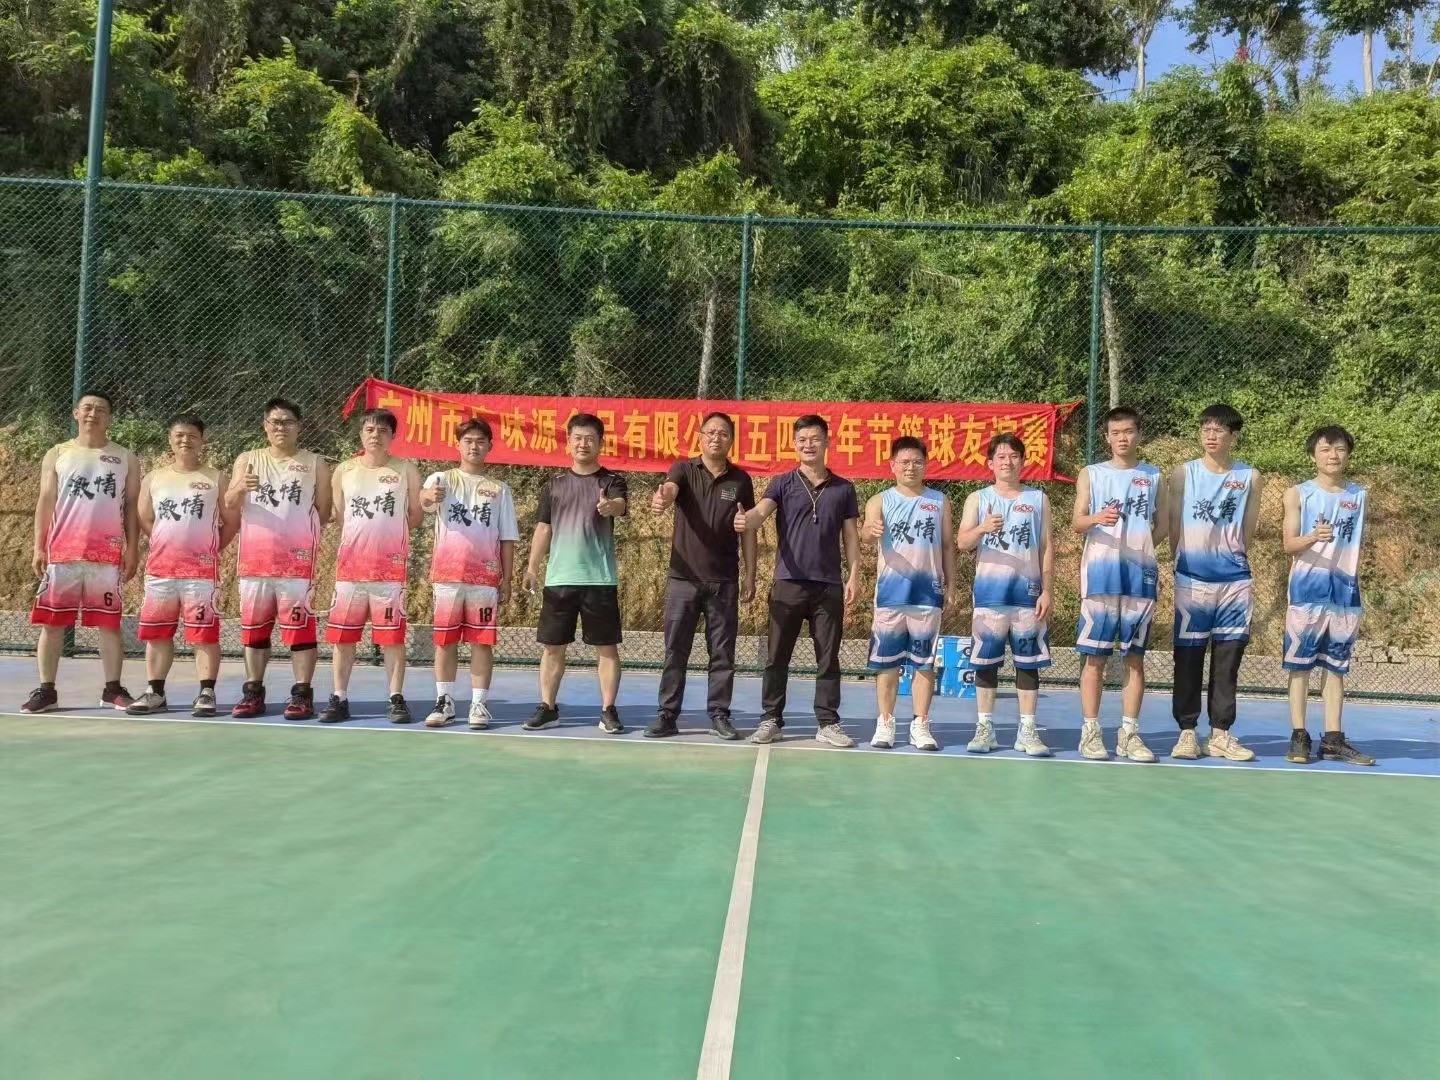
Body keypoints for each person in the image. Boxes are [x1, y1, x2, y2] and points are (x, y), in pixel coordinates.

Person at [735, 415, 862, 747]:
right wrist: (748, 519)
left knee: (828, 657)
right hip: (788, 583)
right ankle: (771, 719)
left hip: (828, 585)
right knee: (777, 656)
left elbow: (851, 536)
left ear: (827, 442)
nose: (809, 445)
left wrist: (854, 574)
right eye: (802, 440)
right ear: (794, 444)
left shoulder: (844, 488)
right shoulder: (781, 483)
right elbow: (761, 512)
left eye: (815, 439)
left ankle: (828, 722)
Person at [22, 390, 140, 712]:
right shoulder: (58, 453)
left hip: (106, 555)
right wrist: (38, 546)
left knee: (109, 625)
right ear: (76, 413)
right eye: (87, 408)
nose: (93, 414)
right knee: (52, 624)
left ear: (109, 417)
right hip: (63, 553)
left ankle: (112, 689)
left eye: (100, 409)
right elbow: (46, 501)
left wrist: (132, 548)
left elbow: (131, 507)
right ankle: (47, 690)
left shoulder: (125, 457)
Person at [646, 412, 756, 740]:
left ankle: (719, 714)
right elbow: (669, 488)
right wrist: (663, 497)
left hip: (724, 580)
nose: (716, 438)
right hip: (684, 580)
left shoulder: (741, 480)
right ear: (700, 437)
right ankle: (667, 715)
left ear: (731, 440)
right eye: (710, 432)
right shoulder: (683, 469)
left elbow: (748, 528)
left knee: (722, 653)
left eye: (723, 433)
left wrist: (750, 574)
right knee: (675, 650)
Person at [224, 398, 331, 719]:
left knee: (300, 631)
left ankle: (302, 694)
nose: (280, 427)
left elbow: (324, 511)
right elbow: (229, 503)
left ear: (299, 427)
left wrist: (297, 537)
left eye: (287, 421)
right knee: (255, 632)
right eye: (275, 422)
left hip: (297, 565)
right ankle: (253, 691)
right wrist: (239, 488)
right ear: (265, 426)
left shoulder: (315, 463)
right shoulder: (248, 459)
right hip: (255, 563)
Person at [522, 413, 629, 733]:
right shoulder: (553, 486)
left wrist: (610, 507)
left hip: (599, 580)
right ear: (568, 442)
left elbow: (620, 505)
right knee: (552, 647)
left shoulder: (611, 481)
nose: (583, 444)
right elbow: (543, 528)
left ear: (601, 443)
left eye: (590, 438)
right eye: (578, 438)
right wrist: (532, 567)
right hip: (559, 580)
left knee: (606, 648)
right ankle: (548, 707)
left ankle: (608, 710)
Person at [127, 415, 238, 717]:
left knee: (204, 634)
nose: (185, 440)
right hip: (161, 571)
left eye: (192, 435)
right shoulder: (155, 478)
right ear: (170, 439)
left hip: (200, 573)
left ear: (202, 441)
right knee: (157, 633)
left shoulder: (216, 478)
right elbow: (145, 518)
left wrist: (209, 548)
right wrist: (166, 543)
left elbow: (231, 521)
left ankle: (206, 692)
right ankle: (155, 692)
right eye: (179, 435)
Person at [1071, 407, 1165, 762]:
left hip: (1140, 579)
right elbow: (1077, 522)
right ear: (1107, 437)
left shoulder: (1153, 475)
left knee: (1135, 658)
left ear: (1139, 434)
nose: (1122, 438)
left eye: (1128, 431)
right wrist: (1098, 517)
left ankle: (1129, 733)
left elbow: (1163, 524)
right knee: (1094, 658)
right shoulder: (1092, 474)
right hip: (1100, 577)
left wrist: (1140, 548)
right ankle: (1090, 731)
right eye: (1116, 432)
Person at [1168, 403, 1260, 761]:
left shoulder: (1250, 477)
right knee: (1188, 656)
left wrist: (1231, 557)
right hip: (1192, 579)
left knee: (1228, 658)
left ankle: (1220, 733)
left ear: (1233, 436)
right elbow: (1174, 525)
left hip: (1234, 581)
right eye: (1205, 429)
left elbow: (1247, 529)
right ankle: (1187, 732)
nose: (1210, 435)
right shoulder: (1183, 473)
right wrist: (1182, 563)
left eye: (1218, 430)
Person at [321, 408, 423, 724]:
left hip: (389, 572)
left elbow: (415, 515)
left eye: (382, 430)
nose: (375, 435)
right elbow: (340, 516)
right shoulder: (344, 470)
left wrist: (389, 540)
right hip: (350, 571)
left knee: (392, 638)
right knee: (343, 638)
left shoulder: (406, 469)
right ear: (361, 434)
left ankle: (395, 698)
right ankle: (339, 697)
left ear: (393, 436)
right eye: (369, 429)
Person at [1281, 426, 1375, 766]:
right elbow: (1288, 544)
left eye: (1339, 449)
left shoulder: (1359, 496)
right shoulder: (1298, 494)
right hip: (1307, 591)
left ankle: (1333, 739)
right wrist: (1312, 537)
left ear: (1348, 454)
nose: (1333, 455)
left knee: (1336, 667)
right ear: (1313, 456)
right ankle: (1299, 734)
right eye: (1325, 449)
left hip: (1345, 593)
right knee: (1300, 666)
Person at [956, 433, 1054, 756]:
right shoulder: (978, 499)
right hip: (990, 596)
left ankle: (1028, 730)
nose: (1007, 462)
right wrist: (982, 528)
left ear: (1023, 461)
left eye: (1013, 456)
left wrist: (1047, 590)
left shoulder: (1038, 499)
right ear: (990, 463)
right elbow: (962, 543)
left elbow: (1046, 547)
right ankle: (985, 728)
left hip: (1028, 596)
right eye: (1001, 456)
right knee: (986, 664)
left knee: (1028, 664)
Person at [421, 418, 519, 729]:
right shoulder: (442, 479)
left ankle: (478, 703)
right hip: (448, 577)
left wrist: (507, 580)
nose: (474, 446)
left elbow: (507, 538)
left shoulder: (499, 490)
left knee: (482, 642)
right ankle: (444, 701)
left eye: (480, 441)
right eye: (468, 441)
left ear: (490, 446)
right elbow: (424, 500)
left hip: (485, 579)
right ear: (458, 445)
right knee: (445, 641)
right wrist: (430, 497)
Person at [861, 436, 956, 751]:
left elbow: (947, 546)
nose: (911, 467)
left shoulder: (939, 501)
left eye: (917, 462)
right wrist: (870, 531)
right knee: (887, 664)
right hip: (890, 595)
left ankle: (920, 724)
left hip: (927, 595)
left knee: (924, 663)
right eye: (904, 462)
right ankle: (885, 722)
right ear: (892, 466)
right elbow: (865, 534)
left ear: (925, 465)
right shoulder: (880, 500)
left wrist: (952, 584)